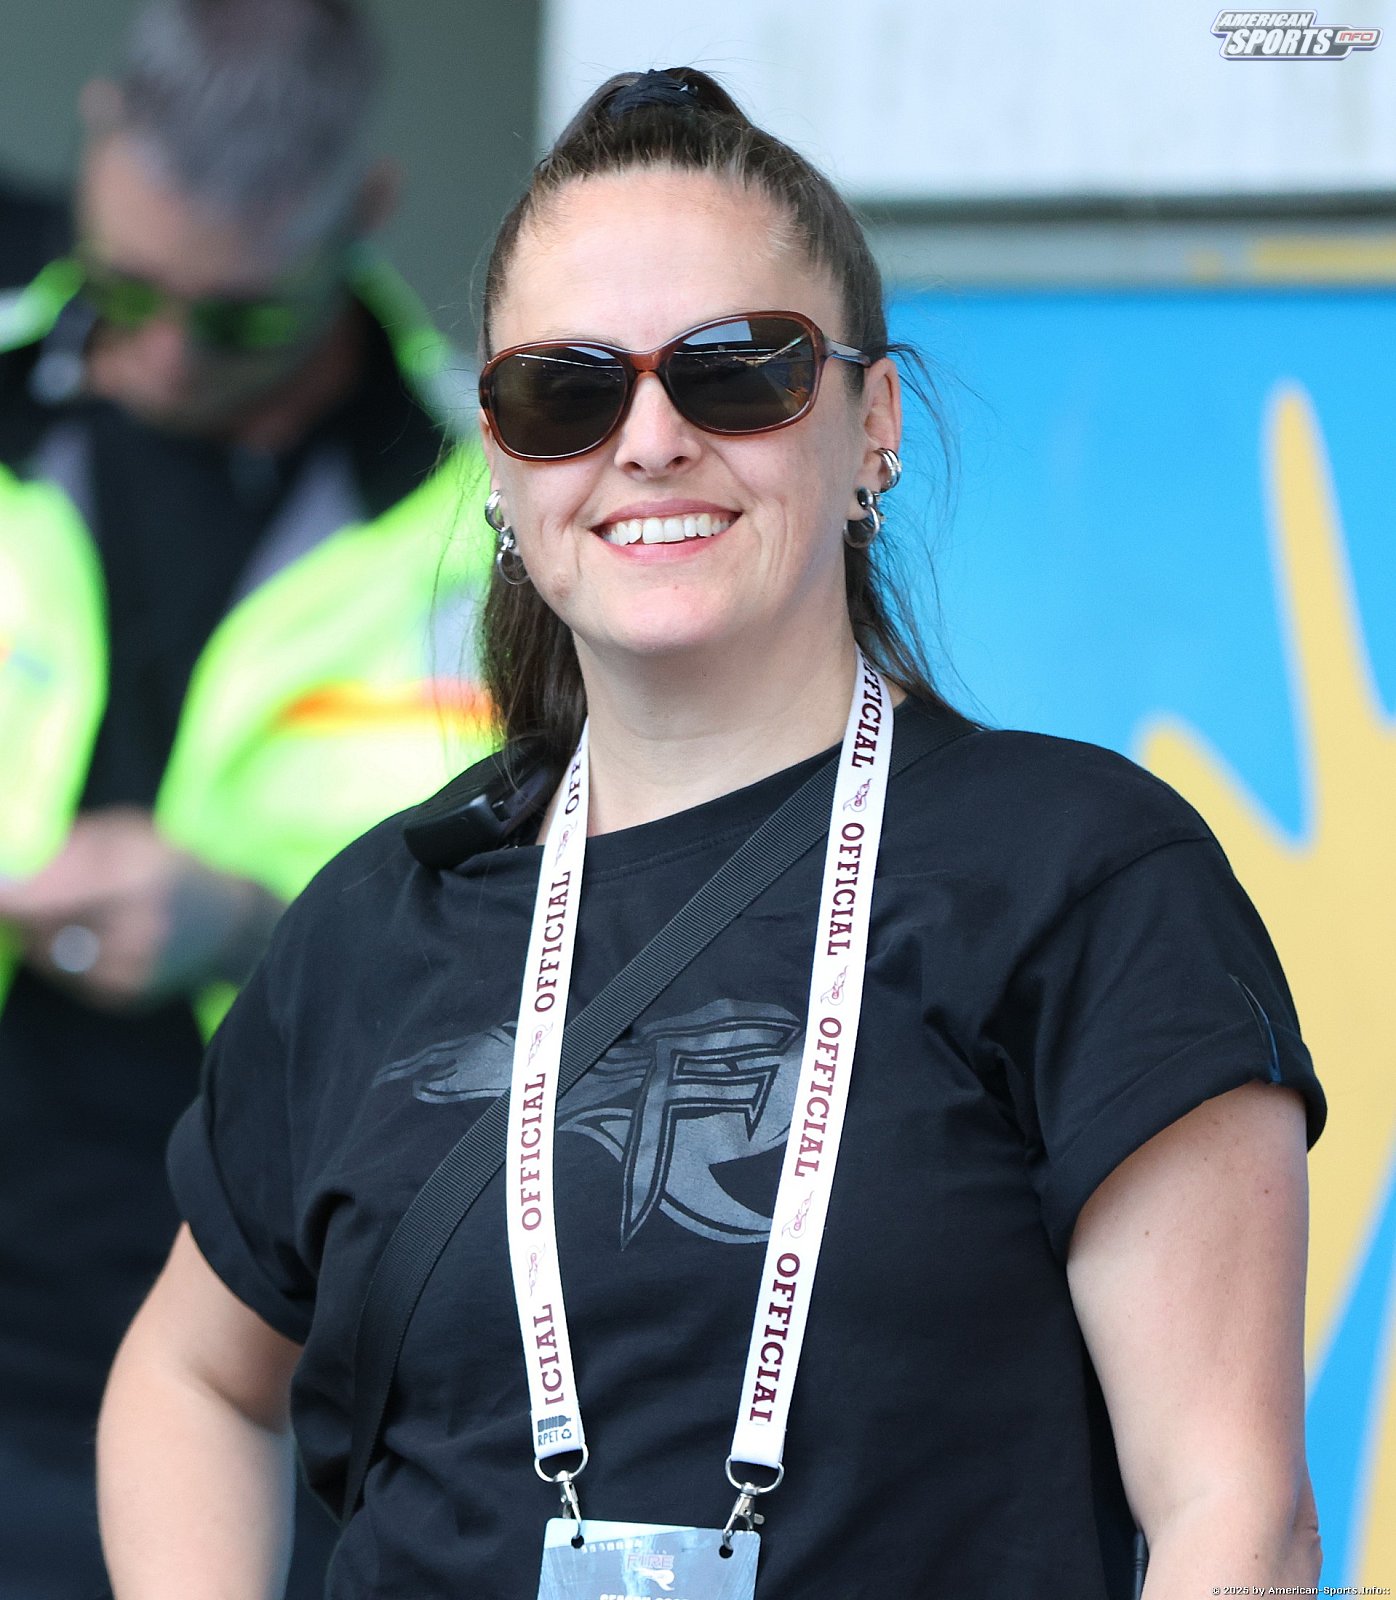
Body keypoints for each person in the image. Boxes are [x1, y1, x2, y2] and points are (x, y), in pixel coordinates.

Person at [97, 67, 1325, 1600]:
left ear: (873, 424)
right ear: (499, 461)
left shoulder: (1081, 877)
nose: (652, 438)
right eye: (566, 392)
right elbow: (191, 1378)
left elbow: (1236, 1518)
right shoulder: (377, 919)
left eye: (738, 371)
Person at [0, 3, 490, 1595]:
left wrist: (250, 929)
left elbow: (544, 965)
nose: (158, 351)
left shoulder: (492, 529)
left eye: (235, 318)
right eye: (124, 288)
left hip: (281, 1395)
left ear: (364, 212)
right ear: (94, 139)